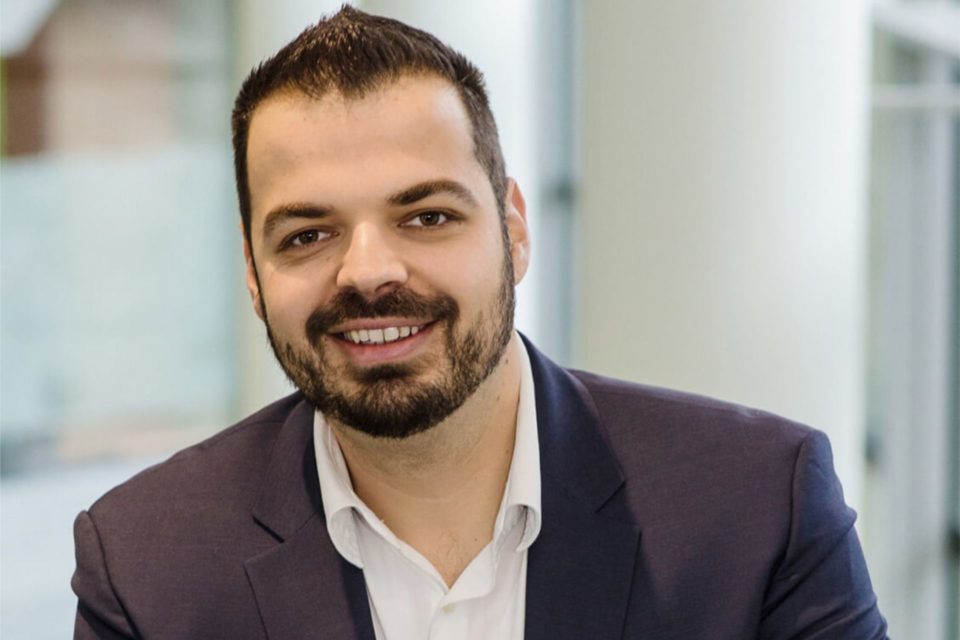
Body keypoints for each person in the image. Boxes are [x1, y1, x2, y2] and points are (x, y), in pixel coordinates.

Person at [71, 6, 888, 639]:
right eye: (308, 235)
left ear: (514, 230)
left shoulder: (758, 510)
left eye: (426, 216)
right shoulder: (147, 568)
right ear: (254, 276)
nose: (368, 272)